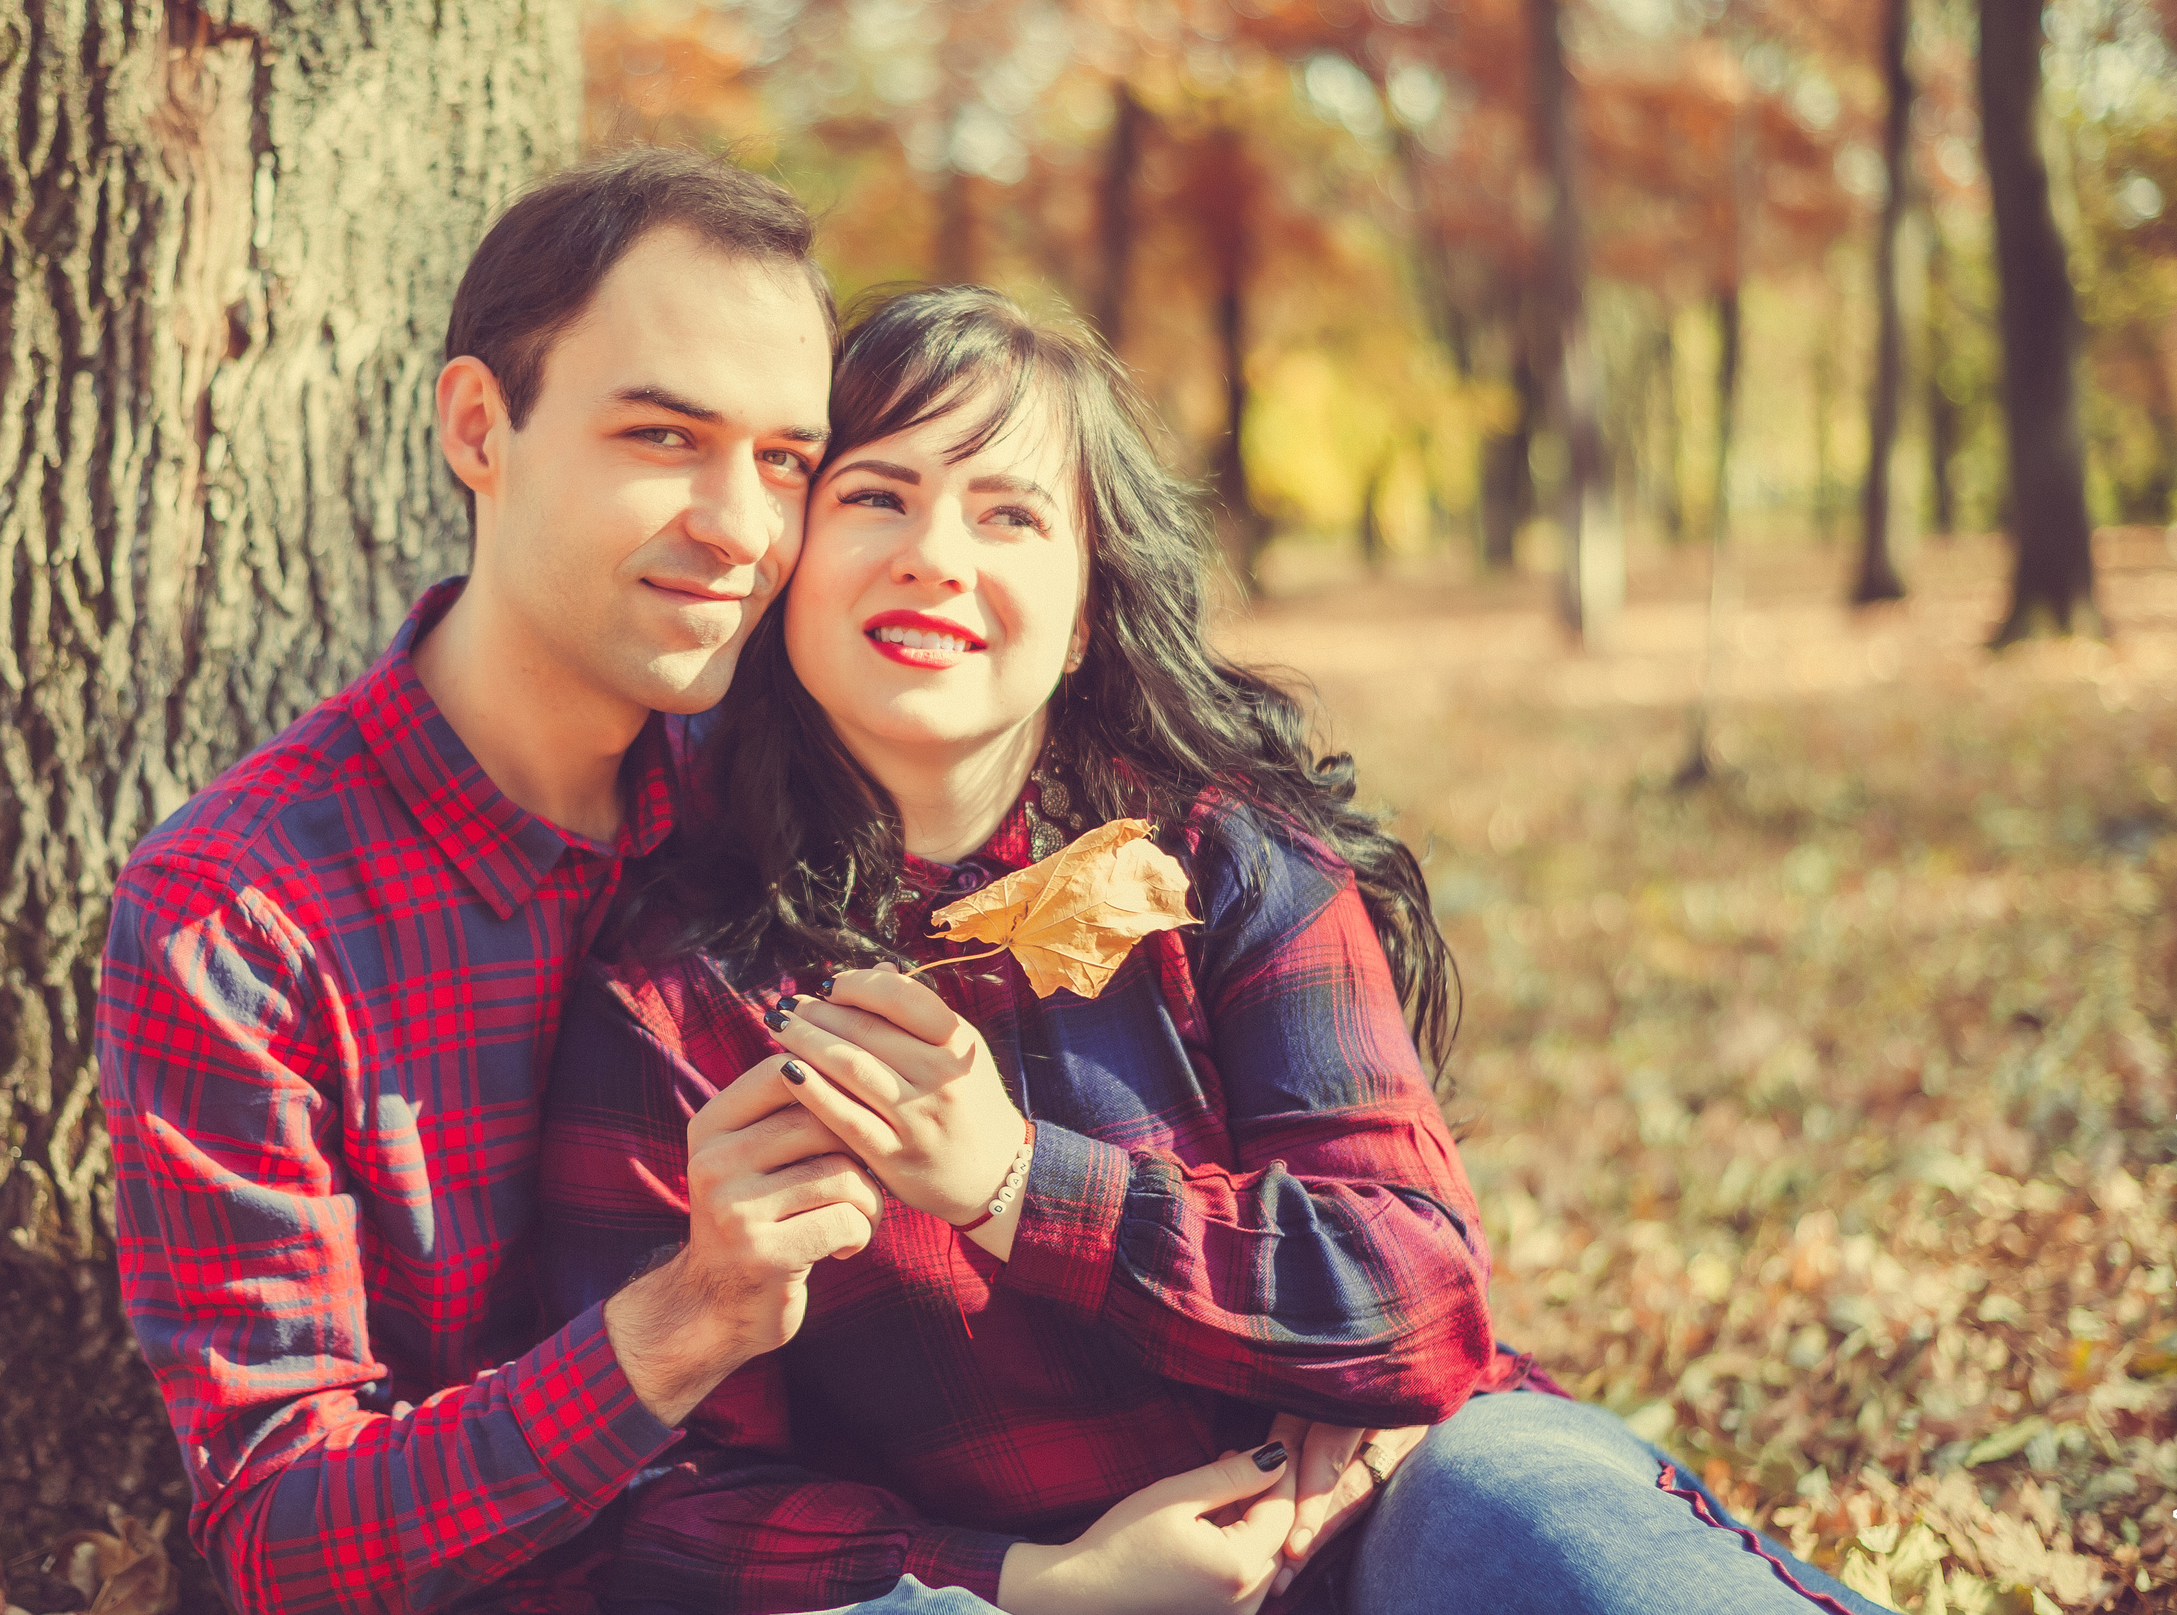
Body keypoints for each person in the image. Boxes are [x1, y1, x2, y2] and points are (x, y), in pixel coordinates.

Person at [96, 148, 1377, 1615]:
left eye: (785, 460)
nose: (741, 525)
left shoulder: (811, 785)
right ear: (476, 428)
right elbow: (282, 1539)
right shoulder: (244, 917)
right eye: (662, 437)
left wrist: (1352, 1372)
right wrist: (684, 1322)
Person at [535, 285, 1900, 1615]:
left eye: (1009, 514)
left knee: (1506, 1498)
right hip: (1022, 1593)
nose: (935, 555)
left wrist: (1015, 1182)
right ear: (788, 566)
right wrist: (1044, 1585)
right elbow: (669, 1507)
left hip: (1387, 1517)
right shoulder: (680, 995)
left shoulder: (1217, 862)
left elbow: (1422, 1300)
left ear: (1078, 622)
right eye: (877, 495)